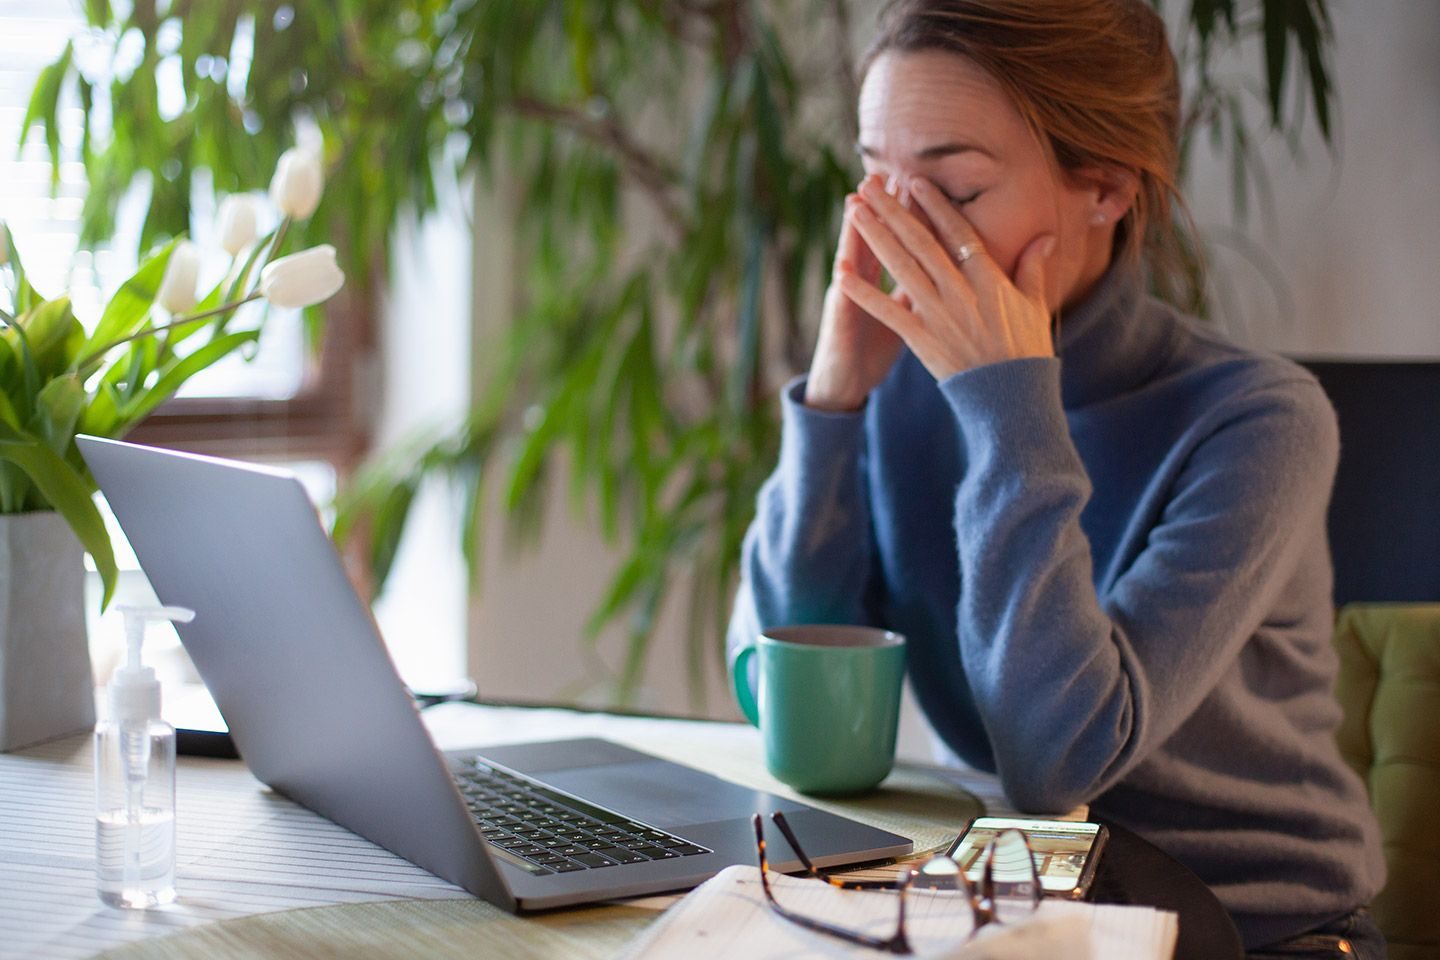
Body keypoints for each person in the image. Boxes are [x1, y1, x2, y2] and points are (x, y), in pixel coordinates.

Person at [725, 1, 1387, 956]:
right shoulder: (912, 382)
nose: (895, 228)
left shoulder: (1260, 422)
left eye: (953, 189)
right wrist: (835, 402)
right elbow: (782, 694)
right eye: (874, 177)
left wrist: (1009, 409)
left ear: (1105, 189)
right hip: (1032, 902)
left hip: (1259, 928)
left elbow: (1058, 758)